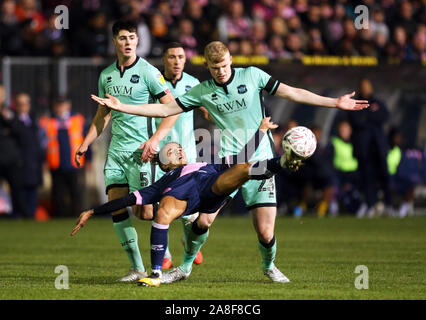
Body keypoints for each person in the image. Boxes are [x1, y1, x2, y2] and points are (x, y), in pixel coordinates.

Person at [91, 40, 369, 284]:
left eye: (224, 65)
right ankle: (184, 267)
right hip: (228, 166)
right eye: (215, 68)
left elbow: (292, 92)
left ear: (231, 60)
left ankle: (269, 266)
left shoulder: (253, 76)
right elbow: (165, 108)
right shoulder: (202, 91)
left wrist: (334, 103)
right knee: (203, 221)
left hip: (260, 162)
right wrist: (122, 106)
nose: (221, 71)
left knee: (264, 231)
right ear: (208, 67)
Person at [71, 118, 303, 287]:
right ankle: (155, 273)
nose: (179, 151)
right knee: (163, 213)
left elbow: (242, 155)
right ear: (164, 163)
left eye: (179, 148)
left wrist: (261, 131)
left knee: (242, 168)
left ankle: (283, 162)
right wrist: (93, 210)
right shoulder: (163, 183)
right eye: (172, 151)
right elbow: (127, 199)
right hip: (185, 199)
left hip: (212, 188)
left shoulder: (204, 166)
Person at [75, 20, 179, 282]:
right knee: (116, 206)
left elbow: (172, 110)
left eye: (132, 37)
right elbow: (103, 115)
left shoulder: (148, 72)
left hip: (141, 153)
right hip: (116, 153)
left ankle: (183, 217)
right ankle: (137, 268)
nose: (129, 42)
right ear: (114, 41)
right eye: (123, 38)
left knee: (144, 213)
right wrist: (85, 143)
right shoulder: (106, 75)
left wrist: (154, 140)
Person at [157, 42, 205, 269]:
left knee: (190, 209)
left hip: (187, 156)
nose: (177, 61)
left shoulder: (193, 84)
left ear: (186, 60)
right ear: (164, 59)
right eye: (172, 57)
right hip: (160, 157)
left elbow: (208, 110)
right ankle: (165, 254)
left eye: (181, 57)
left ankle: (189, 243)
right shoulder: (154, 83)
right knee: (161, 206)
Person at [346, 78, 391, 218]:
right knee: (367, 178)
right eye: (363, 86)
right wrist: (371, 115)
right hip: (363, 149)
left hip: (379, 147)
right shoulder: (354, 103)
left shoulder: (378, 102)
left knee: (385, 176)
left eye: (368, 86)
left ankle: (388, 206)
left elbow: (384, 116)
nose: (366, 89)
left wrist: (367, 116)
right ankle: (371, 205)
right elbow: (356, 121)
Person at [40, 98, 86, 217]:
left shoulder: (77, 120)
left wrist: (89, 159)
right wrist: (44, 161)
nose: (61, 109)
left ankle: (77, 215)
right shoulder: (48, 121)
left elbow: (86, 140)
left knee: (75, 191)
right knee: (57, 193)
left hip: (74, 163)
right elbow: (43, 144)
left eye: (63, 105)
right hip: (56, 163)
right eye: (58, 106)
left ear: (68, 106)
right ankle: (59, 215)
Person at [0, 85, 31, 218]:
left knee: (18, 191)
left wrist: (9, 119)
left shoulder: (9, 113)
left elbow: (20, 131)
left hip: (11, 160)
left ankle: (22, 216)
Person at [14, 92, 43, 217]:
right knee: (19, 194)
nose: (24, 107)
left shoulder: (34, 121)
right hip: (19, 164)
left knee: (32, 193)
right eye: (21, 104)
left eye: (26, 103)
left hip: (33, 163)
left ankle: (30, 216)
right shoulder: (13, 122)